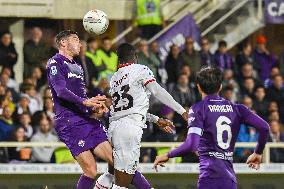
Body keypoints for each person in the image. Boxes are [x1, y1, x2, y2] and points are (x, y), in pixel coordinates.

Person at [47, 30, 161, 189]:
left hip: (87, 119)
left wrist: (94, 108)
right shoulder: (55, 62)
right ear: (63, 43)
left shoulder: (78, 66)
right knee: (90, 171)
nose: (80, 44)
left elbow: (81, 95)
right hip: (69, 121)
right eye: (75, 39)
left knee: (119, 162)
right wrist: (85, 102)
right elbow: (60, 91)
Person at [153, 66, 270, 189]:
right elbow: (265, 127)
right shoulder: (238, 109)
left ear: (198, 87)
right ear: (220, 87)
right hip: (229, 180)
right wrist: (258, 152)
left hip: (209, 178)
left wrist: (167, 155)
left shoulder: (198, 109)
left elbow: (192, 145)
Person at [107, 43, 188, 189]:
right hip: (130, 130)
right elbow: (157, 91)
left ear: (119, 59)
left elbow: (128, 109)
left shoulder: (114, 78)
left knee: (116, 174)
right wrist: (181, 110)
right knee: (121, 183)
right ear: (136, 56)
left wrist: (156, 119)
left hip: (114, 129)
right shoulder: (141, 69)